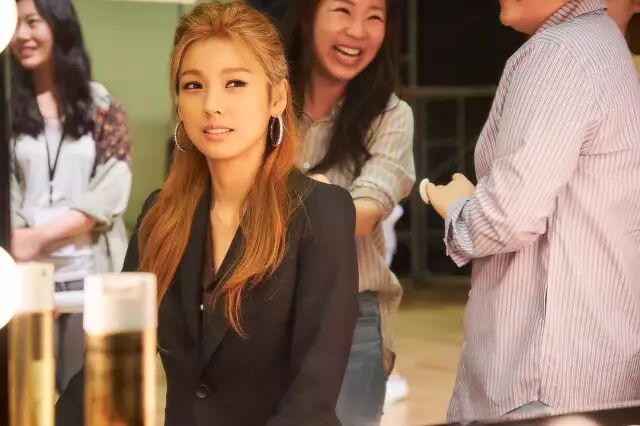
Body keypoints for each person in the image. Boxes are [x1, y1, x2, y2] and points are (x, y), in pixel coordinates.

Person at [56, 2, 359, 425]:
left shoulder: (321, 213)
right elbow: (109, 365)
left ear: (276, 97)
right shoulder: (161, 217)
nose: (212, 104)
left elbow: (313, 394)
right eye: (193, 85)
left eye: (235, 83)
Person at [421, 0, 640, 421]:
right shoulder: (602, 43)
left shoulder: (558, 53)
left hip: (538, 382)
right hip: (591, 368)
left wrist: (458, 206)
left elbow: (507, 218)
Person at [283, 0, 415, 424]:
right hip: (260, 309)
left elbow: (366, 209)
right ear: (308, 14)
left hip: (349, 315)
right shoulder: (263, 99)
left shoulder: (391, 116)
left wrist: (290, 204)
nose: (358, 31)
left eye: (374, 16)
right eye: (343, 10)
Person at [9, 0, 131, 392]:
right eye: (16, 25)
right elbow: (7, 192)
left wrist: (38, 237)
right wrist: (22, 250)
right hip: (27, 280)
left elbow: (112, 189)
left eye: (32, 22)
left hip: (90, 276)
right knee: (28, 397)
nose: (22, 35)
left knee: (87, 395)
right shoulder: (10, 111)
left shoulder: (102, 106)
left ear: (59, 24)